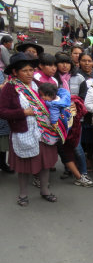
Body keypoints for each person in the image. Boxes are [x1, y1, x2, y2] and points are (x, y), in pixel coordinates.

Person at [0, 53, 60, 205]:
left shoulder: (37, 85)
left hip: (42, 131)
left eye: (31, 70)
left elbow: (51, 98)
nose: (29, 73)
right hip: (23, 132)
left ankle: (44, 190)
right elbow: (2, 111)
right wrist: (23, 112)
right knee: (24, 166)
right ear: (15, 72)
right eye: (25, 70)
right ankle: (23, 194)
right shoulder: (10, 88)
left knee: (45, 164)